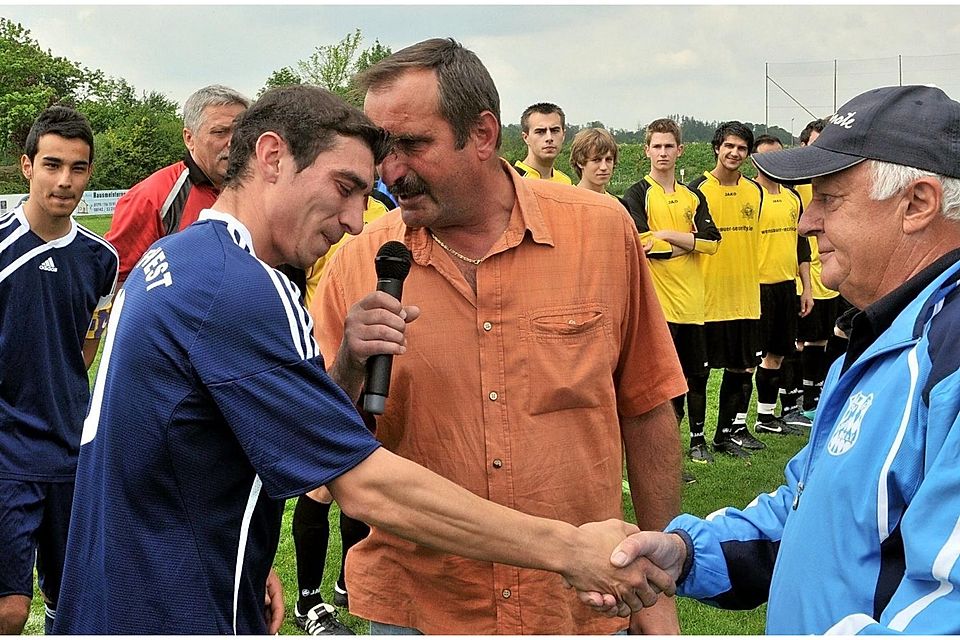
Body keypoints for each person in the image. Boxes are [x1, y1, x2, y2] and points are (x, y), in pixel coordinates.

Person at [53, 84, 670, 635]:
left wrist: (246, 553)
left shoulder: (184, 258)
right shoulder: (240, 286)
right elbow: (366, 486)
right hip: (170, 610)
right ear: (272, 157)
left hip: (126, 592)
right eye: (345, 188)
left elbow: (201, 443)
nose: (355, 221)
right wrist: (570, 549)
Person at [311, 38, 686, 635]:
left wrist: (659, 593)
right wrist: (350, 369)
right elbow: (330, 460)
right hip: (420, 610)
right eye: (382, 147)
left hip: (576, 606)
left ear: (483, 134)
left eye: (412, 144)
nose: (390, 171)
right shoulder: (358, 261)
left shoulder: (600, 232)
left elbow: (647, 408)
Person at [592, 85, 960, 634]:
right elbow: (810, 511)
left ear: (917, 204)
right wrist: (686, 552)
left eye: (828, 200)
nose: (805, 222)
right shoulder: (883, 335)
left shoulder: (947, 355)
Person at [0, 106, 118, 634]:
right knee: (8, 608)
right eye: (51, 164)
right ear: (26, 166)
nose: (64, 180)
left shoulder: (102, 260)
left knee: (71, 600)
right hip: (6, 452)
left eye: (77, 167)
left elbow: (86, 347)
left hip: (71, 452)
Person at [291, 190, 391, 636]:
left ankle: (347, 581)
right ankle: (308, 598)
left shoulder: (385, 211)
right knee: (322, 485)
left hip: (378, 356)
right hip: (325, 353)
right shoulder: (314, 210)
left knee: (365, 471)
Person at [622, 118, 721, 465]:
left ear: (680, 150)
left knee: (697, 377)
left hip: (694, 303)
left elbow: (712, 243)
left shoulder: (694, 196)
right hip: (659, 306)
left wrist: (668, 236)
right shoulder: (637, 193)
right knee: (663, 384)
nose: (663, 152)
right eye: (657, 146)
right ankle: (665, 450)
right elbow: (643, 242)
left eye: (669, 146)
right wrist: (686, 244)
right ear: (646, 150)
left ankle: (697, 441)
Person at [105, 84, 249, 286]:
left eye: (241, 131)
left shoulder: (263, 189)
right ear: (189, 138)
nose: (233, 142)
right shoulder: (154, 197)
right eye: (220, 132)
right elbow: (118, 281)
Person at [688, 122, 765, 456]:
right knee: (699, 374)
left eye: (742, 148)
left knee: (741, 369)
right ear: (716, 148)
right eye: (729, 146)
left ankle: (724, 436)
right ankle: (695, 440)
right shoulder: (697, 190)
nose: (734, 153)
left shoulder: (755, 191)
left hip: (745, 297)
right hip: (706, 298)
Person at [781, 118, 849, 427]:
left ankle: (813, 397)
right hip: (802, 274)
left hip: (834, 274)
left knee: (824, 337)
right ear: (804, 146)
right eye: (816, 144)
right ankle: (788, 400)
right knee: (797, 340)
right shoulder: (793, 187)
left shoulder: (840, 182)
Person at [750, 134, 812, 437]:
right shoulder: (750, 196)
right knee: (751, 358)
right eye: (765, 156)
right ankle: (735, 423)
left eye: (777, 155)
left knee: (778, 353)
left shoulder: (792, 197)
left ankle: (766, 416)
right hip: (757, 287)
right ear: (755, 159)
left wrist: (807, 288)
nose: (772, 162)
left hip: (786, 286)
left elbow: (801, 247)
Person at [513, 102, 573, 183]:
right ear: (526, 137)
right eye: (540, 132)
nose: (549, 138)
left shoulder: (565, 182)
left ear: (563, 135)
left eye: (555, 131)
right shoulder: (513, 180)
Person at [569, 127, 618, 195]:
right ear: (579, 162)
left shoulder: (617, 203)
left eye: (608, 159)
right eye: (596, 160)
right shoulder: (567, 202)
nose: (604, 167)